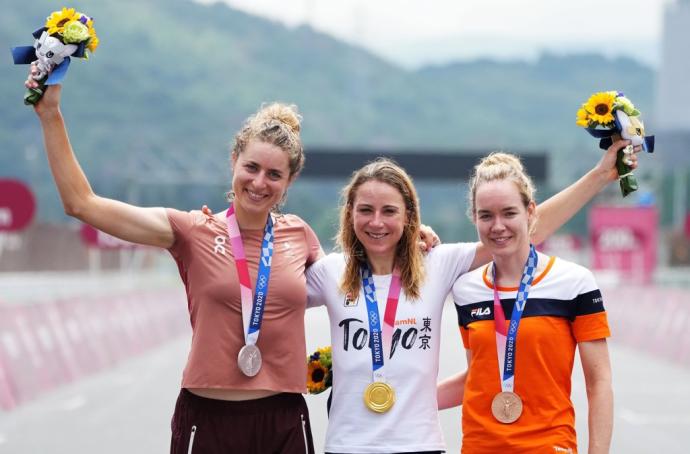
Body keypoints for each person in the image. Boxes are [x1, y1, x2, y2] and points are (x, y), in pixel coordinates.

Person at [25, 68, 323, 453]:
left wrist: (419, 239)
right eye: (251, 167)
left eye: (274, 174)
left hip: (283, 420)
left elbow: (362, 277)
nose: (259, 182)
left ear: (289, 181)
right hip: (208, 419)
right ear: (234, 161)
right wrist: (51, 115)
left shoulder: (299, 235)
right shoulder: (190, 229)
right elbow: (82, 203)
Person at [305, 142, 633, 453]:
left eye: (390, 210)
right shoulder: (330, 271)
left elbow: (523, 229)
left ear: (409, 216)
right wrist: (296, 232)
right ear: (349, 213)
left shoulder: (438, 264)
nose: (377, 221)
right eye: (365, 210)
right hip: (351, 444)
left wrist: (600, 176)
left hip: (424, 444)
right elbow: (272, 294)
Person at [439, 153, 613, 454]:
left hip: (549, 446)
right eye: (486, 215)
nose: (497, 226)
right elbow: (479, 375)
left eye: (509, 213)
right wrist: (402, 401)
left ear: (530, 212)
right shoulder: (467, 290)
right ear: (475, 218)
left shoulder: (574, 282)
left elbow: (598, 383)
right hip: (480, 447)